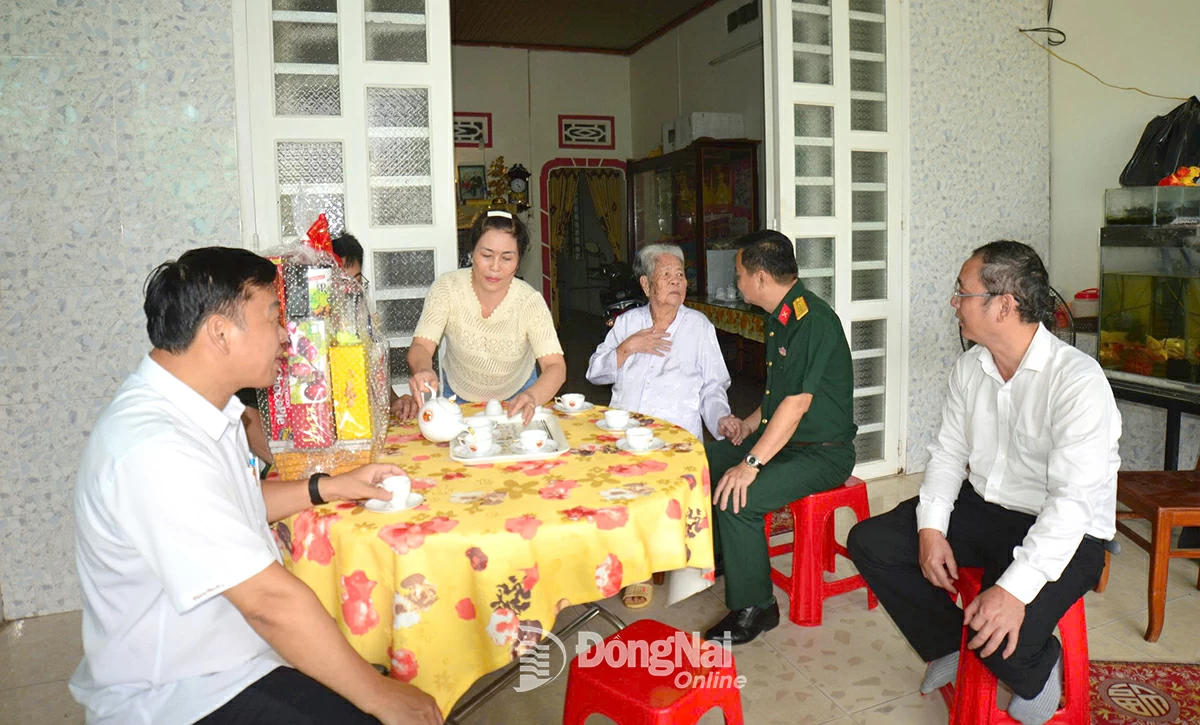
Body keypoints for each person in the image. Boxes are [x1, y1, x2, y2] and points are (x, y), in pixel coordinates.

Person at [70, 247, 442, 725]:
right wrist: (381, 696)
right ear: (221, 333)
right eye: (273, 317)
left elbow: (236, 504)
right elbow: (271, 604)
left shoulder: (202, 411)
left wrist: (330, 486)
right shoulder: (154, 449)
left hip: (238, 659)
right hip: (180, 696)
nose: (286, 336)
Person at [847, 241, 1119, 725]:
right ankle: (946, 647)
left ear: (1004, 305)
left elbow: (1072, 504)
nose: (954, 302)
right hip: (986, 507)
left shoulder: (1077, 382)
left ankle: (1040, 668)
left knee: (1000, 641)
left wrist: (1014, 591)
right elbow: (949, 454)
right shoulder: (971, 368)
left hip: (1067, 532)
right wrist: (931, 528)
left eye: (963, 292)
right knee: (872, 542)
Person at [702, 230, 857, 645]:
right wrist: (749, 426)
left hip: (823, 453)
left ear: (761, 279)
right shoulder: (782, 317)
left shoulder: (813, 320)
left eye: (739, 275)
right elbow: (778, 398)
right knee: (706, 462)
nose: (736, 283)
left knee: (740, 497)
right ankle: (729, 556)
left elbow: (797, 404)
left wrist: (751, 463)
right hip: (786, 441)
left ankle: (756, 609)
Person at [586, 243, 737, 608]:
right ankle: (636, 568)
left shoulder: (698, 327)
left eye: (680, 275)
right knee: (622, 496)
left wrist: (721, 418)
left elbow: (713, 386)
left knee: (665, 501)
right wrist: (628, 348)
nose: (675, 282)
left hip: (675, 433)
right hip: (626, 432)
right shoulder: (628, 323)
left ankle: (661, 560)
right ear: (646, 285)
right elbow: (594, 371)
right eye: (665, 275)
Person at [393, 210, 566, 425]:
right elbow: (421, 346)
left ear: (519, 260)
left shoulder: (530, 302)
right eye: (486, 255)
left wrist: (532, 396)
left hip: (519, 397)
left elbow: (555, 367)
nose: (495, 267)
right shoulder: (447, 288)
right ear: (471, 253)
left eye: (507, 258)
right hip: (458, 396)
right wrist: (424, 371)